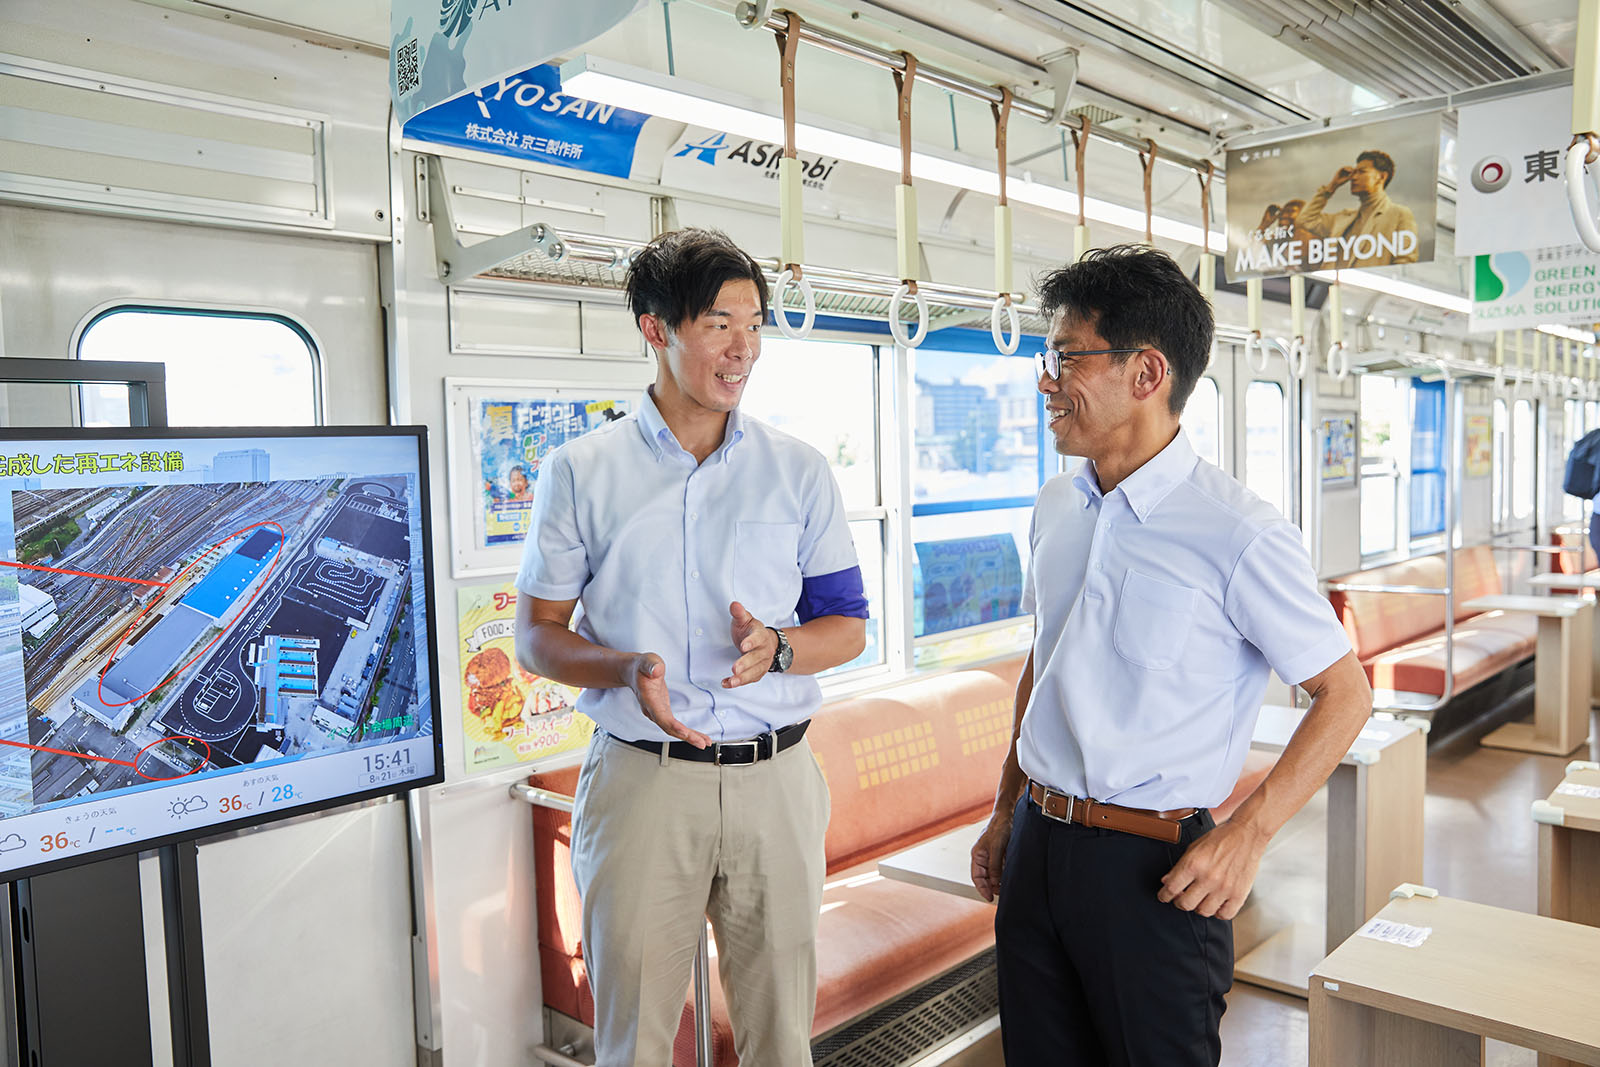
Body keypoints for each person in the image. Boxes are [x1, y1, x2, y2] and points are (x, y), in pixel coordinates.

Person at [968, 245, 1372, 1066]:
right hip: (1037, 850)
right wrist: (1008, 806)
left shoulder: (1238, 532)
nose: (1047, 382)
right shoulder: (1056, 505)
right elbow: (1045, 666)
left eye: (1065, 358)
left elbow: (1345, 693)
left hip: (1155, 871)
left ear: (1146, 372)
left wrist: (1250, 833)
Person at [513, 227, 868, 1067]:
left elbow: (847, 627)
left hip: (775, 780)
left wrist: (779, 648)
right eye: (718, 322)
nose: (742, 347)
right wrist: (624, 668)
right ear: (655, 329)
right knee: (633, 1039)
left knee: (781, 1039)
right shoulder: (581, 470)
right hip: (643, 781)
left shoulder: (800, 470)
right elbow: (537, 636)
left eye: (753, 323)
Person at [1297, 150, 1419, 268]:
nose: (1353, 178)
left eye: (1361, 172)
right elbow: (1305, 220)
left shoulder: (1399, 214)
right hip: (1335, 286)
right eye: (1353, 173)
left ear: (1382, 176)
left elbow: (1404, 263)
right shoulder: (1342, 218)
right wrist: (1331, 186)